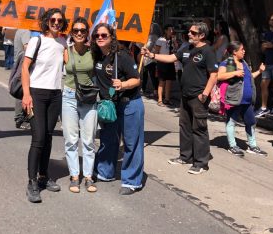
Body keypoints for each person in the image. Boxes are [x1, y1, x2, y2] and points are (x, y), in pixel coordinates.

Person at [144, 22, 217, 175]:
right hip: (185, 95)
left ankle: (201, 163)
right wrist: (152, 55)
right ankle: (185, 156)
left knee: (199, 129)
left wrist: (205, 94)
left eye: (193, 32)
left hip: (199, 97)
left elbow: (214, 75)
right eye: (189, 31)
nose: (189, 34)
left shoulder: (208, 51)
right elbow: (172, 57)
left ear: (202, 35)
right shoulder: (187, 48)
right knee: (184, 127)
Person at [21, 9, 67, 203]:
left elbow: (70, 63)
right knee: (38, 138)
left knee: (48, 137)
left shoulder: (63, 42)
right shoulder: (36, 40)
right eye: (53, 19)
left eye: (60, 20)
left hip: (55, 94)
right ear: (47, 21)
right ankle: (31, 182)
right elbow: (25, 67)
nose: (56, 23)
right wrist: (26, 94)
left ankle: (43, 176)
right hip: (37, 93)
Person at [92, 23, 143, 195]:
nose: (100, 38)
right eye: (97, 35)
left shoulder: (122, 56)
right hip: (109, 106)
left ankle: (132, 181)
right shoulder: (96, 55)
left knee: (131, 143)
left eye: (104, 35)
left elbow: (136, 79)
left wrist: (123, 84)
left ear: (112, 37)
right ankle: (104, 172)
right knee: (108, 140)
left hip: (130, 103)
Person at [62, 17, 98, 194]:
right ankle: (74, 176)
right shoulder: (65, 51)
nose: (79, 33)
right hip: (69, 97)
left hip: (89, 98)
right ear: (71, 33)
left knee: (89, 140)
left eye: (82, 30)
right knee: (71, 139)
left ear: (87, 33)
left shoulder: (94, 52)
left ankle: (88, 176)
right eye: (76, 30)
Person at [216, 41, 267, 157]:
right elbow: (219, 76)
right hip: (234, 99)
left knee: (251, 122)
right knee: (231, 122)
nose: (244, 51)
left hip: (247, 100)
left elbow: (249, 77)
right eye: (241, 49)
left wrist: (259, 71)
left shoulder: (244, 63)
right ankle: (232, 146)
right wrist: (235, 73)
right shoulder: (228, 63)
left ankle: (252, 146)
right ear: (234, 52)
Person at [153, 24, 177, 106]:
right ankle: (160, 99)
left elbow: (176, 49)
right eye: (170, 30)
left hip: (170, 61)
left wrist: (174, 42)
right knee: (161, 81)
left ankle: (167, 98)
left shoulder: (172, 40)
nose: (171, 31)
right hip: (162, 61)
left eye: (172, 30)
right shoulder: (160, 40)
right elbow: (156, 52)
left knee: (169, 81)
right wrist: (156, 62)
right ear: (166, 31)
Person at [14, 28, 32, 129]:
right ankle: (20, 118)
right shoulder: (26, 31)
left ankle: (21, 117)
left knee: (21, 90)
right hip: (22, 64)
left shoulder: (20, 30)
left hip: (19, 63)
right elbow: (27, 47)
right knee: (22, 91)